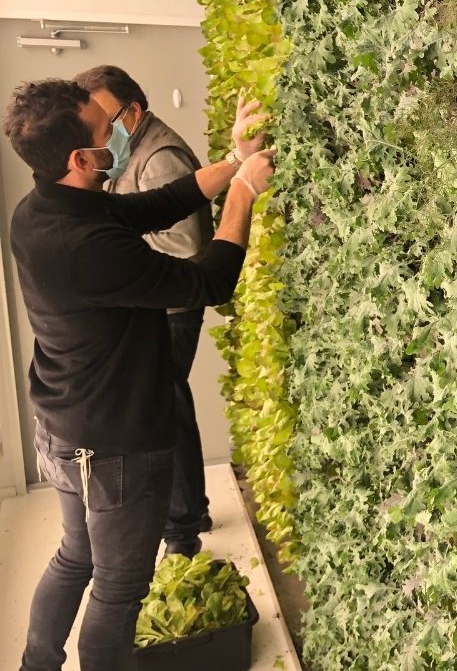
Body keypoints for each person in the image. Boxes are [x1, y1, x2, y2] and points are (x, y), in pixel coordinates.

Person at [3, 79, 273, 671]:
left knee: (75, 556)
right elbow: (208, 282)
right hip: (114, 444)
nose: (118, 138)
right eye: (106, 135)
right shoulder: (85, 244)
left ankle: (35, 666)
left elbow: (155, 204)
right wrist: (245, 194)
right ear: (81, 159)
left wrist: (235, 159)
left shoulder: (44, 206)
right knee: (119, 591)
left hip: (64, 426)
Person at [74, 65, 213, 558]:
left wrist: (114, 247)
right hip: (158, 305)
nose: (95, 136)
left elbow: (185, 243)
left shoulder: (159, 158)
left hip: (172, 307)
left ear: (131, 113)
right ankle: (189, 512)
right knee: (170, 406)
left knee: (167, 411)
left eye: (102, 122)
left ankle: (182, 528)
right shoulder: (130, 152)